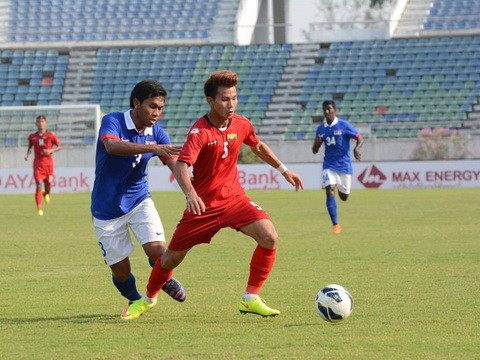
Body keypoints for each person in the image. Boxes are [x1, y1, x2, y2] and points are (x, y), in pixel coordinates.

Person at [121, 70, 304, 321]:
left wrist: (284, 170)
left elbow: (257, 145)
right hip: (203, 206)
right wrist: (190, 195)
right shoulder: (199, 131)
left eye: (234, 98)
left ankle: (250, 298)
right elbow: (183, 165)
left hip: (235, 199)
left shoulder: (241, 123)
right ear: (211, 101)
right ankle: (148, 299)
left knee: (269, 236)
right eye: (225, 100)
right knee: (171, 258)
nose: (231, 105)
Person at [90, 79, 187, 319]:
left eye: (161, 108)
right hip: (106, 209)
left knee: (158, 251)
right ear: (136, 103)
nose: (157, 113)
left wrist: (190, 192)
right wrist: (153, 149)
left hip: (139, 200)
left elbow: (174, 163)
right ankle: (136, 300)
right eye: (152, 106)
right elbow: (112, 146)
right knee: (121, 271)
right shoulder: (112, 120)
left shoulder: (157, 133)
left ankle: (164, 279)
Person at [311, 100, 364, 234]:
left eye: (329, 109)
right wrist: (316, 144)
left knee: (344, 196)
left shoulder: (344, 125)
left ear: (335, 110)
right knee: (329, 190)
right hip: (328, 164)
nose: (326, 111)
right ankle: (336, 225)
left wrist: (356, 149)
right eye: (324, 109)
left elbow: (360, 138)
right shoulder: (321, 128)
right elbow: (314, 150)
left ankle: (342, 190)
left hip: (344, 165)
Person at [24, 114, 62, 216]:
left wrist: (50, 150)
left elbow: (60, 146)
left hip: (48, 165)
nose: (41, 124)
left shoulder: (51, 135)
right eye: (39, 122)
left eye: (42, 122)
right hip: (38, 164)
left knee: (48, 186)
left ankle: (46, 193)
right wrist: (27, 155)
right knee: (38, 184)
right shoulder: (32, 136)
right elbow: (29, 147)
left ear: (46, 123)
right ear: (36, 123)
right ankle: (39, 207)